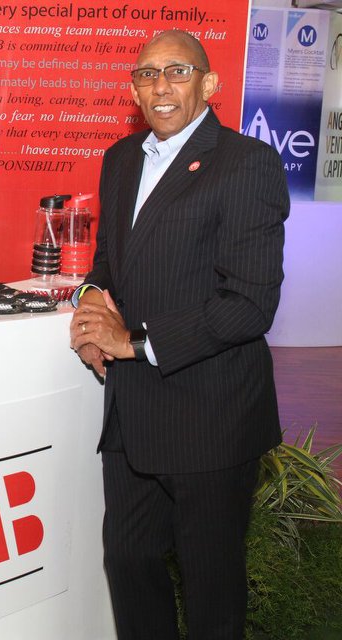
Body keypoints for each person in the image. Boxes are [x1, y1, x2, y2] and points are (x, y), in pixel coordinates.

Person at [69, 31, 289, 639]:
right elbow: (107, 264)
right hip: (134, 414)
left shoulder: (247, 163)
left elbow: (250, 305)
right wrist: (90, 309)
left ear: (209, 84)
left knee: (210, 587)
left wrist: (134, 343)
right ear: (133, 89)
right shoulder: (121, 158)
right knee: (129, 562)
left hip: (211, 415)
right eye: (147, 74)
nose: (160, 86)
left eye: (177, 71)